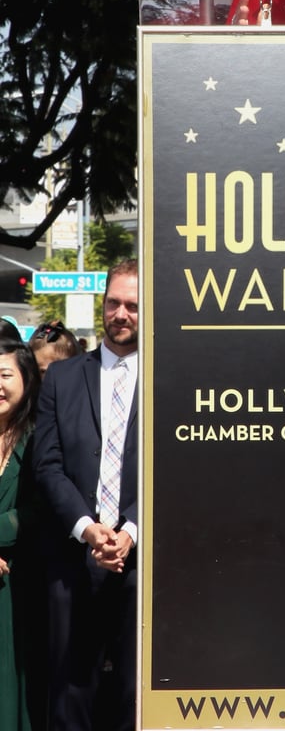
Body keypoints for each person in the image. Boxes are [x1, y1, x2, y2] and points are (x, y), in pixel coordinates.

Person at [33, 259, 139, 731]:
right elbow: (47, 464)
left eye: (134, 306)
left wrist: (130, 531)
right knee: (70, 699)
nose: (122, 313)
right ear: (103, 306)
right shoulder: (62, 378)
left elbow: (177, 471)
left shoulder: (173, 380)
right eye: (114, 302)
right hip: (74, 562)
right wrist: (87, 528)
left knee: (133, 700)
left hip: (143, 569)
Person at [0, 338, 42, 731]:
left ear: (27, 380)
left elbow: (41, 510)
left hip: (19, 585)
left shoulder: (38, 437)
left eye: (4, 374)